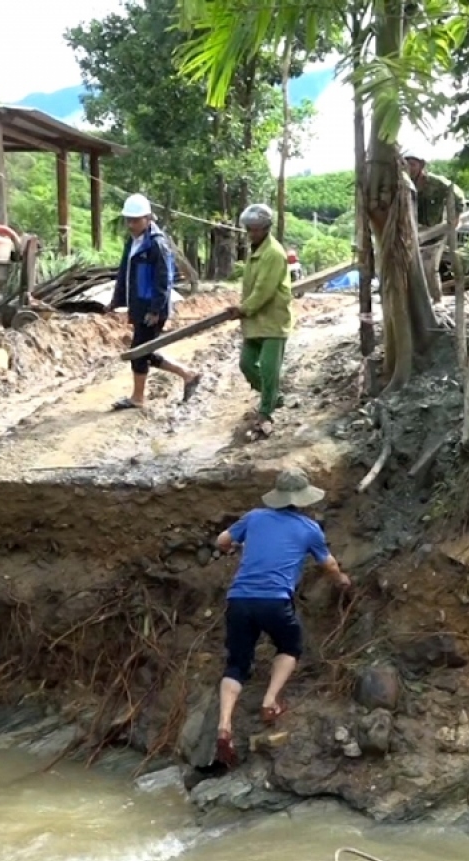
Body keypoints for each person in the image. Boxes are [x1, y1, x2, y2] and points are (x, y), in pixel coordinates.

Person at [212, 467, 351, 768]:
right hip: (274, 601)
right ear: (302, 499)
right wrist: (341, 580)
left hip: (239, 599)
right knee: (290, 647)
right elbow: (328, 564)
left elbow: (222, 540)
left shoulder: (254, 517)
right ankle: (270, 701)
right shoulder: (309, 528)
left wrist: (233, 546)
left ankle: (224, 725)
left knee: (236, 664)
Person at [107, 193, 202, 410]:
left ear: (148, 218)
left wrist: (155, 309)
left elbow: (164, 280)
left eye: (135, 220)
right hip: (139, 306)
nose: (131, 225)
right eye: (128, 220)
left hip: (152, 309)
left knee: (139, 352)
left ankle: (138, 398)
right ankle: (188, 375)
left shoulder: (156, 245)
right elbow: (125, 273)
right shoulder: (132, 242)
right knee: (144, 351)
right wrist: (116, 301)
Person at [235, 204, 294, 439]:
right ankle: (274, 397)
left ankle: (265, 413)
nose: (251, 233)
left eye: (255, 229)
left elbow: (263, 291)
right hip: (254, 322)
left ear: (266, 228)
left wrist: (242, 309)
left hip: (273, 322)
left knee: (269, 370)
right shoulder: (255, 251)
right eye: (249, 229)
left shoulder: (273, 253)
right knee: (246, 364)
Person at [401, 149, 466, 303]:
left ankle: (437, 300)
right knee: (409, 266)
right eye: (407, 164)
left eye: (413, 164)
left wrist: (456, 217)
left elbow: (458, 196)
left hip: (436, 230)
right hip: (414, 229)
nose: (410, 168)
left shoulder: (436, 182)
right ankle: (413, 301)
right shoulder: (403, 184)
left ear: (421, 165)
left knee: (429, 266)